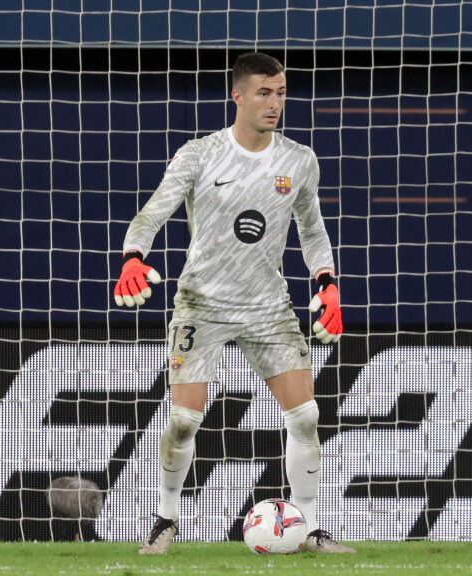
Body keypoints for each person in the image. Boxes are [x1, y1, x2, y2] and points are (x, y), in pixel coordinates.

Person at [113, 52, 351, 555]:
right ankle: (166, 518)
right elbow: (152, 212)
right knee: (182, 423)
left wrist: (327, 284)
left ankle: (306, 527)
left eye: (281, 93)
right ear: (237, 95)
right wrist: (134, 257)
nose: (275, 104)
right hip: (202, 303)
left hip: (268, 308)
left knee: (306, 415)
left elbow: (312, 231)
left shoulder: (299, 160)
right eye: (264, 93)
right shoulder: (199, 154)